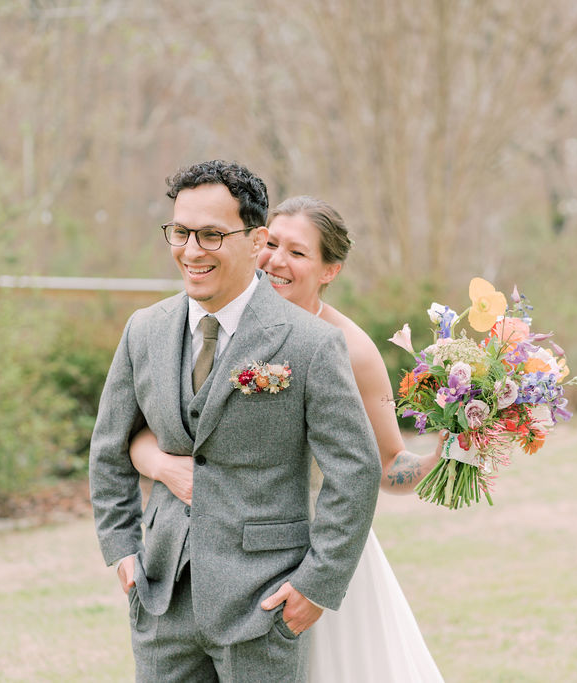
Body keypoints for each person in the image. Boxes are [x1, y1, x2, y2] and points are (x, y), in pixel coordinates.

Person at [130, 195, 446, 682]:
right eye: (271, 243)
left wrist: (445, 454)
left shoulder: (350, 349)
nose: (275, 260)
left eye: (297, 253)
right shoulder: (214, 319)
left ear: (329, 271)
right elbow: (155, 433)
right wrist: (161, 465)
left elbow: (383, 467)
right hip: (213, 561)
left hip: (312, 554)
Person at [89, 161, 381, 682]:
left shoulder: (310, 343)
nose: (191, 250)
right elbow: (109, 448)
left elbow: (354, 471)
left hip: (264, 605)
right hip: (159, 598)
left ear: (255, 240)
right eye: (180, 232)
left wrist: (316, 584)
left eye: (211, 235)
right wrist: (121, 549)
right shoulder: (143, 330)